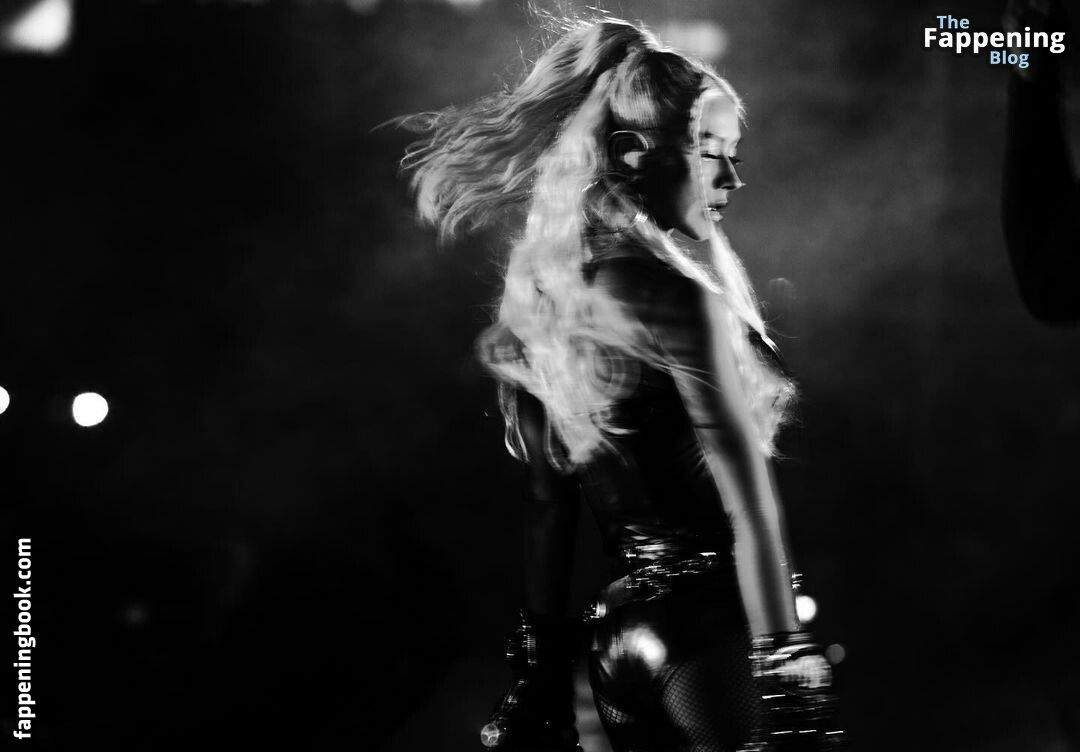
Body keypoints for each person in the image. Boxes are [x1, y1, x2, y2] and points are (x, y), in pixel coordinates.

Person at [402, 16, 836, 752]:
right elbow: (748, 504)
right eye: (709, 153)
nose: (732, 179)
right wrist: (786, 664)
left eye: (733, 156)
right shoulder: (677, 299)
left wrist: (539, 675)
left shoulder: (541, 303)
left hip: (619, 645)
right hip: (713, 634)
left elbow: (550, 508)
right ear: (633, 152)